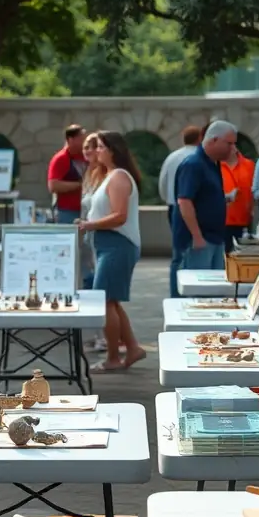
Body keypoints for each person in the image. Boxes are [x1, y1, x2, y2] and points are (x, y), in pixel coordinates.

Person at [78, 131, 146, 372]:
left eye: (100, 147)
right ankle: (132, 348)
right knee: (111, 301)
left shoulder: (119, 177)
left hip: (118, 244)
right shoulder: (109, 175)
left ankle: (113, 358)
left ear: (112, 150)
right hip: (108, 244)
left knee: (104, 301)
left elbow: (119, 216)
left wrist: (89, 225)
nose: (95, 151)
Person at [173, 120, 235, 271]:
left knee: (214, 283)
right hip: (200, 240)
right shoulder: (193, 164)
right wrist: (197, 236)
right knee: (197, 282)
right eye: (229, 144)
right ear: (214, 140)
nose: (233, 149)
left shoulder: (213, 164)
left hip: (214, 237)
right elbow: (184, 201)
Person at [158, 125, 201, 297]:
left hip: (173, 207)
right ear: (200, 139)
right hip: (195, 207)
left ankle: (175, 293)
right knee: (197, 252)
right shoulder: (199, 158)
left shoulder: (172, 157)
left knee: (178, 254)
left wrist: (168, 198)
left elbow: (162, 183)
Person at [80, 133, 106, 353]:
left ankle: (106, 338)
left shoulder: (106, 174)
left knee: (100, 289)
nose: (88, 150)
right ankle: (100, 336)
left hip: (101, 237)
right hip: (89, 236)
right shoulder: (89, 173)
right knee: (91, 285)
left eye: (93, 146)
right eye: (86, 147)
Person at [48, 124, 87, 223]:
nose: (85, 142)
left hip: (85, 209)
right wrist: (80, 185)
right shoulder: (60, 159)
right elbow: (53, 186)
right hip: (66, 211)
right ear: (70, 140)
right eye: (81, 139)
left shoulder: (86, 156)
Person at [220, 142, 255, 251]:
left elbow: (255, 189)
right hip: (222, 220)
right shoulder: (215, 165)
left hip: (245, 220)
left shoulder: (249, 165)